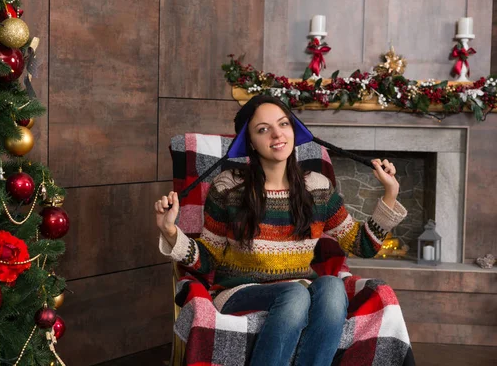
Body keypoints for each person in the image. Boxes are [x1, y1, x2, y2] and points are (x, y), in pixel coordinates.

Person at [154, 95, 407, 366]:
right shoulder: (227, 186)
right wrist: (170, 230)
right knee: (296, 294)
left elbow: (362, 245)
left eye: (283, 124)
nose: (277, 134)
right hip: (237, 290)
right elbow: (208, 258)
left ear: (293, 131)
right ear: (250, 141)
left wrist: (390, 193)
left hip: (299, 286)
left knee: (332, 287)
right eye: (263, 129)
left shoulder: (317, 187)